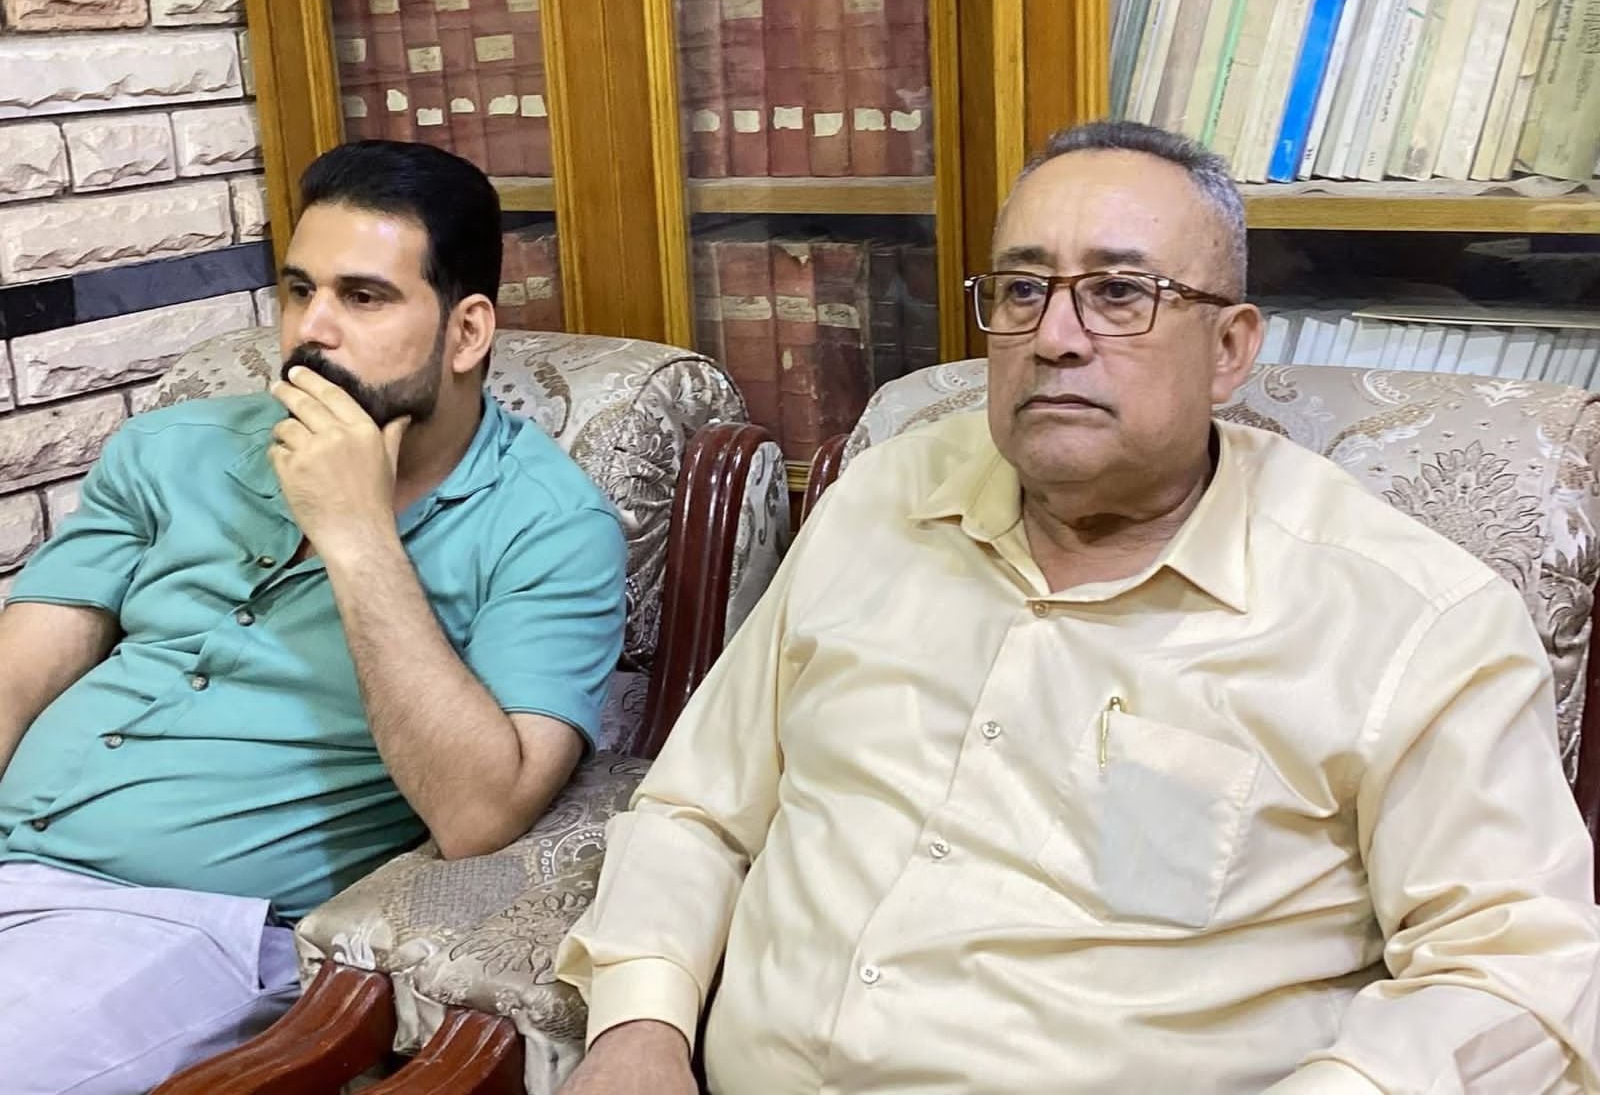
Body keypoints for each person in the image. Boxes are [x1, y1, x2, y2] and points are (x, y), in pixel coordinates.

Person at [554, 120, 1600, 1094]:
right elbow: (697, 809)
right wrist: (637, 1030)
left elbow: (1516, 977)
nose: (1054, 335)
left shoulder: (1409, 622)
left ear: (1230, 349)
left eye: (1118, 292)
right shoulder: (878, 500)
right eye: (1022, 289)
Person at [0, 140, 628, 1094]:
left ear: (466, 332)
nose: (312, 331)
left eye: (364, 297)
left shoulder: (552, 528)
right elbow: (19, 673)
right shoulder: (168, 450)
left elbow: (479, 814)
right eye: (300, 291)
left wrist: (358, 534)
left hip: (173, 925)